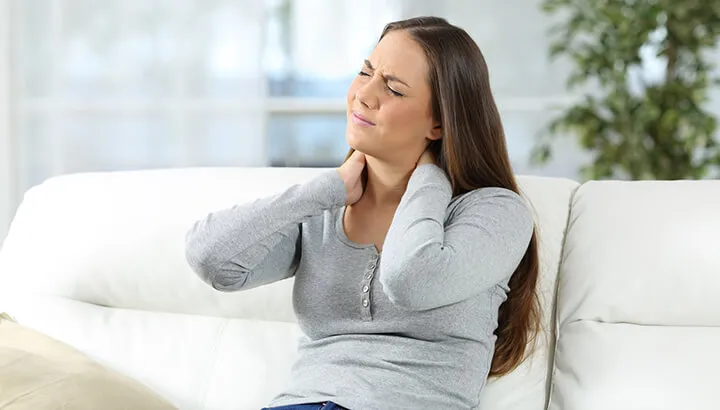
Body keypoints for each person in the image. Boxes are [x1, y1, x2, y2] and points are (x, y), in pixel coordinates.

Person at [185, 16, 540, 410]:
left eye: (393, 88)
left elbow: (411, 280)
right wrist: (326, 189)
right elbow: (211, 259)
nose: (364, 95)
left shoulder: (495, 212)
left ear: (439, 123)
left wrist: (429, 178)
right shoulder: (324, 210)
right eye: (365, 72)